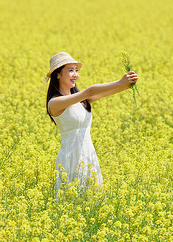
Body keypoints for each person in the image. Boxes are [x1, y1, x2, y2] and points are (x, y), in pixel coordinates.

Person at [46, 52, 139, 192]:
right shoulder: (55, 103)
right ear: (57, 74)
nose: (75, 74)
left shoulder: (81, 101)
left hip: (88, 155)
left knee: (92, 198)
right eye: (70, 70)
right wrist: (120, 82)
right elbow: (89, 91)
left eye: (76, 70)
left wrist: (127, 84)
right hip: (71, 157)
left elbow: (106, 92)